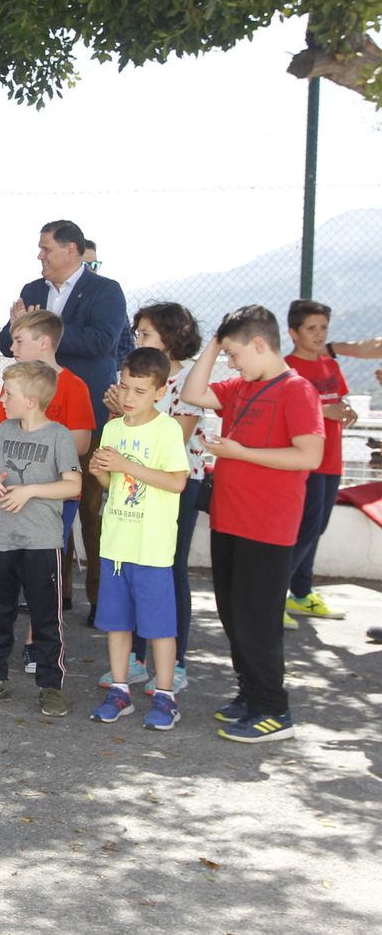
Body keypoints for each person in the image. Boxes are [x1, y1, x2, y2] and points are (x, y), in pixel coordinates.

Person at [181, 305, 324, 744]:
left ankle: (274, 710)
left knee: (256, 620)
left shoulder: (297, 390)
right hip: (230, 520)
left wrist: (241, 454)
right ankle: (251, 694)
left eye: (235, 354)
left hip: (267, 526)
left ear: (259, 345)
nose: (231, 363)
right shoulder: (242, 386)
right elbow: (192, 391)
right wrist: (215, 340)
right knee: (233, 615)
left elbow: (309, 455)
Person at [0, 221, 126, 625]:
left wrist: (45, 331)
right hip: (35, 419)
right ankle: (57, 593)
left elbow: (103, 341)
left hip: (84, 417)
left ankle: (100, 599)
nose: (40, 255)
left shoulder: (106, 290)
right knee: (46, 509)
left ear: (71, 250)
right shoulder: (32, 290)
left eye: (46, 248)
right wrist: (20, 327)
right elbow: (7, 343)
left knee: (90, 510)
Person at [0, 360, 82, 717]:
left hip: (41, 543)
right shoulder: (6, 432)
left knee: (46, 617)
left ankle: (51, 686)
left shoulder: (59, 435)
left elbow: (73, 485)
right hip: (0, 539)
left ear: (31, 400)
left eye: (8, 394)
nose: (3, 399)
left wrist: (29, 491)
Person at [99, 303, 207, 694]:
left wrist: (129, 409)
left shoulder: (188, 382)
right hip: (131, 487)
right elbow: (121, 435)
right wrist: (121, 413)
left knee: (169, 570)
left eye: (146, 333)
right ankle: (134, 659)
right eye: (138, 333)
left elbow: (176, 435)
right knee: (131, 571)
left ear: (172, 337)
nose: (138, 339)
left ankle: (173, 662)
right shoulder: (132, 381)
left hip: (178, 483)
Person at [86, 347, 190, 731]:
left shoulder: (167, 430)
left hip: (151, 549)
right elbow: (111, 483)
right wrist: (100, 470)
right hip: (116, 545)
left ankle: (165, 696)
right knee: (117, 624)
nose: (129, 397)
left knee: (159, 627)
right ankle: (119, 691)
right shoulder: (113, 427)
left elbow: (177, 482)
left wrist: (125, 465)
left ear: (160, 392)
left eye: (140, 391)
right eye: (125, 387)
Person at [0, 309, 97, 628]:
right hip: (12, 494)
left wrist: (37, 437)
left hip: (54, 498)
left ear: (44, 342)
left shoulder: (74, 386)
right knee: (5, 573)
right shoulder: (13, 385)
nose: (12, 348)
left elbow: (81, 443)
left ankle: (38, 643)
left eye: (19, 340)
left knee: (43, 574)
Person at [283, 299, 356, 624]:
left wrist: (347, 411)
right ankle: (272, 597)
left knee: (317, 528)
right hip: (304, 461)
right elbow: (285, 410)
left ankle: (300, 595)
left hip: (332, 460)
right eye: (311, 328)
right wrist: (324, 411)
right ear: (293, 333)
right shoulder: (286, 368)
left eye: (323, 327)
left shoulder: (330, 365)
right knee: (305, 528)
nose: (319, 334)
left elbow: (337, 401)